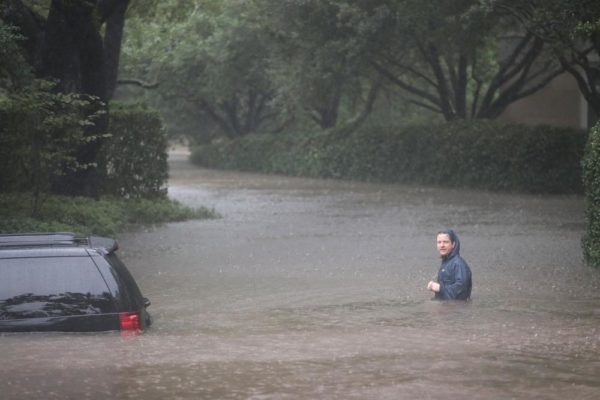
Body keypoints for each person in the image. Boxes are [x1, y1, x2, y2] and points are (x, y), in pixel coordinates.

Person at [427, 229, 472, 300]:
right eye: (439, 242)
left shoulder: (458, 264)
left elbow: (462, 289)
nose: (442, 245)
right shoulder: (446, 262)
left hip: (456, 309)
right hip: (446, 306)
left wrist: (439, 288)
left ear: (453, 244)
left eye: (445, 242)